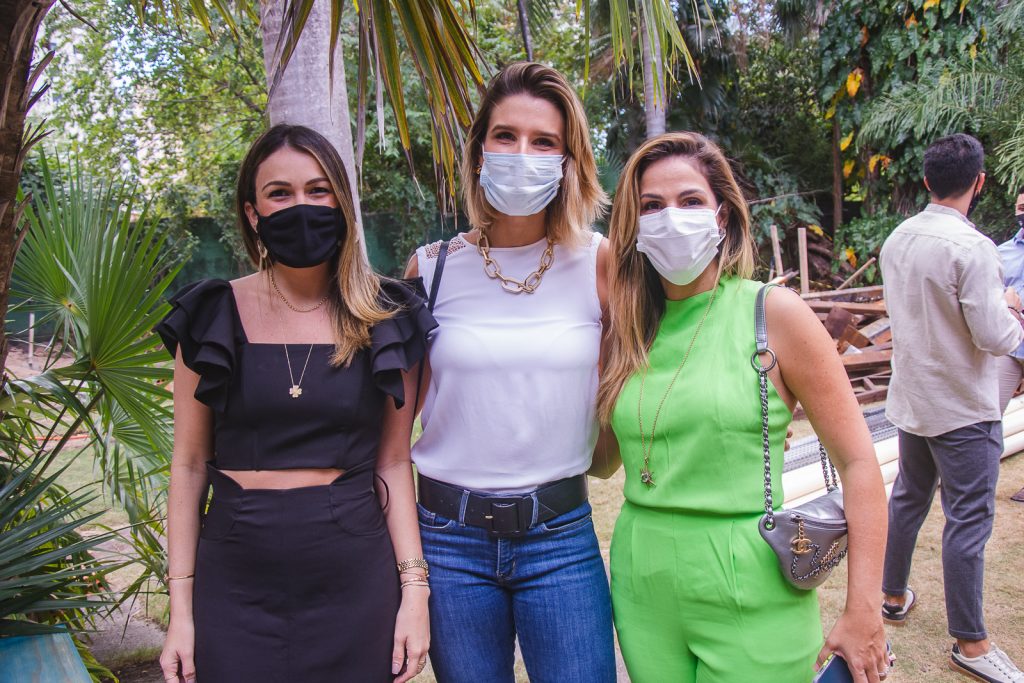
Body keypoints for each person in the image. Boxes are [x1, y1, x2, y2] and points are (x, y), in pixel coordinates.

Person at [594, 131, 890, 683]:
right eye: (651, 206)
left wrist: (864, 609)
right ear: (633, 227)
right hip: (642, 584)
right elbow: (601, 461)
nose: (670, 218)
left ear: (722, 216)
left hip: (751, 585)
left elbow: (858, 463)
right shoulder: (630, 332)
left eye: (690, 201)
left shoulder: (774, 314)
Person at [156, 124, 436, 683]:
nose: (300, 206)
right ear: (253, 213)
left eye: (317, 190)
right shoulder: (211, 315)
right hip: (234, 579)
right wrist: (180, 611)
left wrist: (414, 591)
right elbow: (187, 466)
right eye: (279, 193)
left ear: (341, 202)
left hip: (354, 576)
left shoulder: (386, 317)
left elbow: (392, 462)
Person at [405, 62, 616, 683]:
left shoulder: (599, 262)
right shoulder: (430, 269)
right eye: (506, 136)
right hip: (447, 540)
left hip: (560, 536)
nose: (523, 154)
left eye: (544, 141)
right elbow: (393, 428)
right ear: (479, 151)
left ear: (569, 161)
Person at [879, 134, 1024, 682]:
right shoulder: (974, 247)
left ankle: (892, 595)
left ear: (926, 181)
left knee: (909, 499)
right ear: (979, 182)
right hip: (963, 406)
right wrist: (1011, 308)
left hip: (914, 398)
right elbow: (994, 336)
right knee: (968, 520)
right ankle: (971, 641)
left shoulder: (898, 238)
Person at [996, 185, 1024, 503]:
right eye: (1020, 207)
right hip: (1010, 348)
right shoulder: (1001, 253)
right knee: (990, 414)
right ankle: (979, 479)